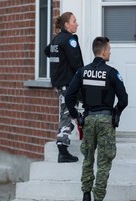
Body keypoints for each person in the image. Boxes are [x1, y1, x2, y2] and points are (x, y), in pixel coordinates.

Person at [65, 37, 128, 201]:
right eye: (109, 49)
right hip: (105, 120)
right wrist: (116, 113)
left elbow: (69, 96)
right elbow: (124, 99)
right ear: (102, 51)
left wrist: (76, 116)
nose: (110, 52)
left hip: (89, 119)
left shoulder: (81, 72)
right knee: (104, 161)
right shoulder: (112, 72)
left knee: (88, 159)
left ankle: (86, 198)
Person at [44, 12, 84, 163]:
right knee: (67, 113)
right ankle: (62, 149)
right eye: (74, 21)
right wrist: (83, 79)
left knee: (67, 110)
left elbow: (47, 51)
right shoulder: (69, 40)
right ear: (67, 25)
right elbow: (76, 63)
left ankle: (65, 145)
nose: (77, 24)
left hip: (60, 82)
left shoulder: (57, 39)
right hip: (68, 82)